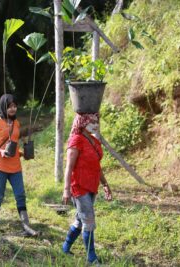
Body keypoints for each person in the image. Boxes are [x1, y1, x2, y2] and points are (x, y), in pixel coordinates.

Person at [0, 94, 38, 236]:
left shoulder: (16, 123)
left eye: (15, 106)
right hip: (0, 165)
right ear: (3, 106)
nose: (13, 109)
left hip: (15, 166)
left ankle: (26, 226)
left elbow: (14, 146)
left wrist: (23, 153)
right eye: (10, 106)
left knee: (20, 195)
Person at [62, 113, 113, 264]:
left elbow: (97, 166)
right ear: (83, 123)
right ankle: (91, 258)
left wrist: (105, 184)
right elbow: (69, 168)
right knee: (88, 220)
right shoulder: (76, 140)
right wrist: (66, 190)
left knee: (80, 219)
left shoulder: (95, 141)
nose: (95, 124)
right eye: (92, 121)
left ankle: (65, 247)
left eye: (96, 121)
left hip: (92, 185)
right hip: (79, 186)